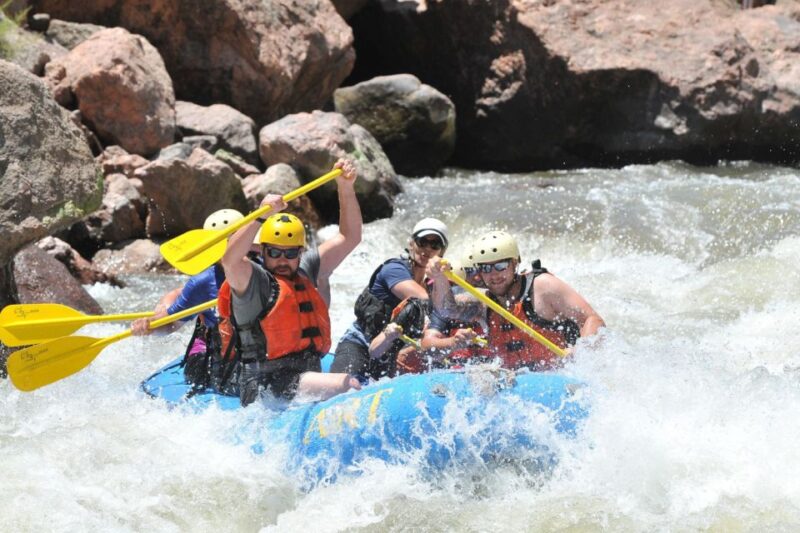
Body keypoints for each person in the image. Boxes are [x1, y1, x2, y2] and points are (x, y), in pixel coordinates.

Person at [219, 159, 362, 406]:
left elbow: (350, 237)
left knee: (352, 380)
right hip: (265, 383)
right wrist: (260, 217)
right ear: (262, 252)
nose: (282, 260)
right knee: (349, 385)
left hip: (303, 374)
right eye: (274, 253)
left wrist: (345, 187)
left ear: (300, 252)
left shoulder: (304, 271)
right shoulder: (253, 281)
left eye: (290, 253)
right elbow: (230, 261)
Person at [427, 230, 605, 370]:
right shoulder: (484, 302)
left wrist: (580, 352)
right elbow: (446, 309)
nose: (494, 275)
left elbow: (592, 319)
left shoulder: (543, 287)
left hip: (556, 377)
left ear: (515, 262)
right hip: (516, 383)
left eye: (501, 265)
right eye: (486, 268)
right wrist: (440, 278)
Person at [132, 208, 245, 387]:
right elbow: (171, 324)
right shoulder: (203, 282)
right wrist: (150, 325)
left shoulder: (265, 268)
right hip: (215, 356)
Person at [330, 217, 449, 379]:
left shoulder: (436, 283)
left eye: (435, 245)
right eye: (422, 242)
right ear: (411, 243)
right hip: (361, 343)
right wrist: (442, 281)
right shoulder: (394, 269)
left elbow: (448, 310)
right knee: (347, 386)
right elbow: (424, 300)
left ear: (442, 252)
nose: (427, 249)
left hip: (393, 350)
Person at [420, 257, 489, 369]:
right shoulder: (438, 311)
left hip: (491, 364)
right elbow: (427, 347)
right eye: (434, 287)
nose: (443, 294)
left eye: (451, 287)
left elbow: (451, 307)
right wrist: (453, 342)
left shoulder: (480, 302)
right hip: (458, 369)